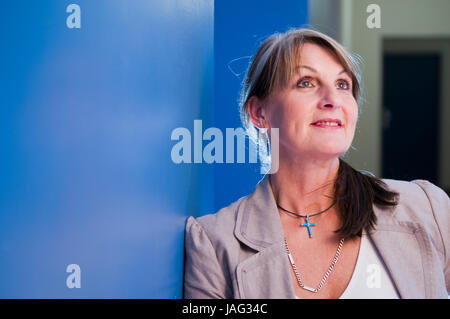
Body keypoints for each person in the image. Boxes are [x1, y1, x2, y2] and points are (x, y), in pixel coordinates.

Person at [183, 28, 450, 299]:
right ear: (259, 113)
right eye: (306, 82)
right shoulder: (214, 243)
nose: (332, 100)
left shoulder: (427, 208)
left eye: (342, 84)